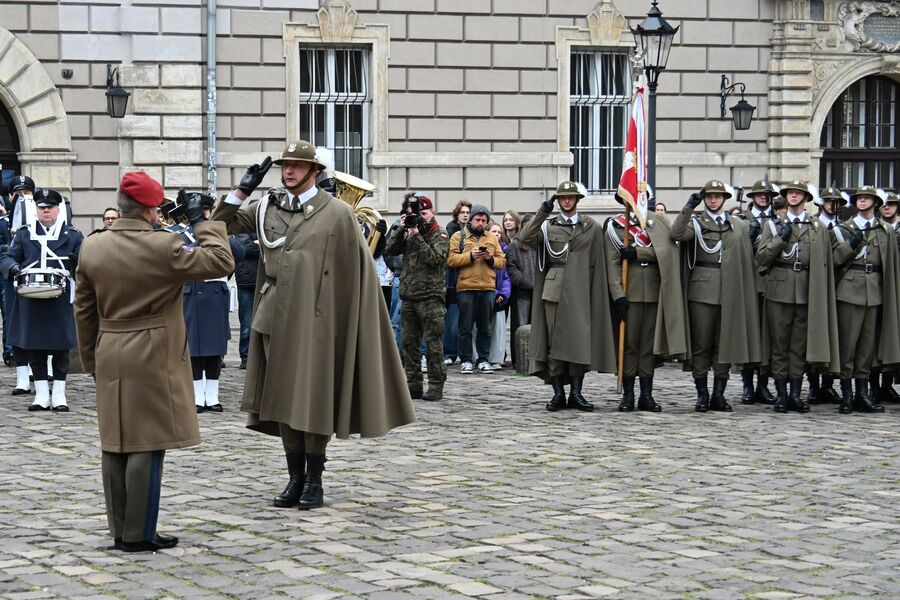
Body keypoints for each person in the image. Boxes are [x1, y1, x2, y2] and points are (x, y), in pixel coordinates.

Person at [213, 141, 414, 511]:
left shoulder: (337, 212)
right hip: (275, 314)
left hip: (319, 317)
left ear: (314, 172)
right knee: (285, 399)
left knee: (314, 398)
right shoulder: (266, 208)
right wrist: (241, 190)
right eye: (285, 165)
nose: (288, 171)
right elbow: (216, 223)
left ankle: (315, 480)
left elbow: (355, 270)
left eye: (296, 166)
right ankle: (294, 477)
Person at [75, 171, 234, 552]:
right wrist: (202, 220)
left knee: (115, 442)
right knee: (147, 442)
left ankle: (120, 528)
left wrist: (92, 360)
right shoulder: (163, 246)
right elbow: (221, 260)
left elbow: (83, 310)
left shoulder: (92, 246)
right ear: (150, 210)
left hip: (110, 345)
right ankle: (138, 533)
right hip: (152, 349)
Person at [517, 181, 617, 411]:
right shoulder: (548, 226)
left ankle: (577, 392)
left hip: (581, 290)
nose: (566, 201)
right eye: (562, 198)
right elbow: (524, 238)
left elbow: (597, 263)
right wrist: (542, 212)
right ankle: (558, 393)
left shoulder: (590, 227)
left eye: (570, 197)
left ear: (577, 200)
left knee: (578, 343)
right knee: (555, 343)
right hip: (555, 290)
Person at [671, 180, 762, 412]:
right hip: (702, 291)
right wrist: (689, 206)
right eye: (709, 196)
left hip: (731, 291)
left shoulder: (738, 225)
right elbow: (677, 233)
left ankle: (719, 395)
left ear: (725, 199)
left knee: (725, 344)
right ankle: (702, 394)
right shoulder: (697, 223)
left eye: (717, 196)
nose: (713, 200)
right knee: (702, 345)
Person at [754, 181, 840, 413]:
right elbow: (761, 258)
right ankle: (781, 394)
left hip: (805, 290)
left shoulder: (817, 227)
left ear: (806, 198)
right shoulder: (773, 225)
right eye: (790, 193)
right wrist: (780, 239)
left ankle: (795, 394)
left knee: (799, 346)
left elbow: (823, 262)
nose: (793, 196)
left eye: (798, 193)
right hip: (779, 289)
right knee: (779, 344)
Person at [0, 188, 83, 411]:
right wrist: (13, 268)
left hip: (60, 297)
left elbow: (85, 264)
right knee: (34, 346)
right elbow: (7, 256)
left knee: (60, 348)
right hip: (31, 297)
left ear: (58, 210)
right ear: (36, 210)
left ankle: (59, 394)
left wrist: (78, 262)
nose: (46, 211)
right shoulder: (25, 234)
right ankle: (41, 395)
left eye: (50, 208)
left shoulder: (73, 235)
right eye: (41, 208)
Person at [605, 197, 688, 412]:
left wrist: (638, 253)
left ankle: (646, 395)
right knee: (630, 345)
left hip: (653, 292)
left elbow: (667, 252)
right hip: (629, 293)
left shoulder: (658, 222)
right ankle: (629, 395)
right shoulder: (616, 226)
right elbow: (612, 264)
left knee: (648, 347)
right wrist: (618, 295)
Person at [165, 191, 245, 413]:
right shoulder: (176, 234)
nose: (202, 215)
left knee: (214, 350)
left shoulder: (217, 232)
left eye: (205, 211)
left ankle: (213, 395)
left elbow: (239, 252)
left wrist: (220, 233)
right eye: (198, 211)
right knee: (194, 349)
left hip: (214, 295)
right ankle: (197, 396)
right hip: (189, 294)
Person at [832, 185, 900, 414]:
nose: (862, 201)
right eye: (859, 198)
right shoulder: (844, 228)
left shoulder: (885, 230)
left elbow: (890, 263)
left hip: (875, 291)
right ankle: (847, 395)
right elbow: (834, 260)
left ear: (876, 203)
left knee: (867, 348)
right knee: (848, 346)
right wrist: (851, 245)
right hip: (850, 290)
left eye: (866, 198)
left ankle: (862, 393)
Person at [384, 194, 449, 401]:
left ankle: (436, 386)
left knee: (433, 345)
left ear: (432, 213)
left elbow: (435, 259)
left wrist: (417, 236)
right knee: (408, 344)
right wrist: (403, 228)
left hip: (431, 297)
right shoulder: (409, 232)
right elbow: (390, 249)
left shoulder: (440, 234)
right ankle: (413, 385)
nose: (420, 218)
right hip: (409, 296)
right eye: (416, 214)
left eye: (423, 213)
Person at [447, 204, 506, 374]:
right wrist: (470, 256)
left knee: (485, 328)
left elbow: (502, 261)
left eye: (483, 220)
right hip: (465, 288)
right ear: (471, 220)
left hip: (487, 287)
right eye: (477, 219)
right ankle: (466, 360)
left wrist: (489, 259)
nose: (480, 223)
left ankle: (483, 359)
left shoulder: (492, 238)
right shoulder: (459, 236)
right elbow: (451, 260)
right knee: (465, 327)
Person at [738, 180, 780, 405]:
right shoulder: (742, 219)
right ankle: (747, 386)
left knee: (767, 338)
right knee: (749, 335)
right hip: (749, 281)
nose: (763, 198)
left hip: (771, 282)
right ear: (752, 197)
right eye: (759, 194)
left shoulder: (776, 220)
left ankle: (763, 385)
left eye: (767, 195)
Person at [806, 185, 848, 404]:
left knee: (834, 336)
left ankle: (828, 384)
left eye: (836, 201)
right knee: (815, 334)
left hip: (839, 284)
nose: (833, 205)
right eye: (829, 201)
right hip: (817, 283)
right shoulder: (812, 224)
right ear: (821, 203)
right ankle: (813, 385)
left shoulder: (843, 227)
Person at [1, 175, 35, 379]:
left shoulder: (38, 222)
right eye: (18, 194)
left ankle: (37, 363)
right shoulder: (3, 223)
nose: (22, 197)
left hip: (31, 277)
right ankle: (12, 353)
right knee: (11, 316)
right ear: (10, 196)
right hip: (8, 275)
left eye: (27, 193)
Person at [443, 200, 472, 366]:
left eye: (468, 212)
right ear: (457, 214)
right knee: (452, 321)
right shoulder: (450, 230)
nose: (465, 215)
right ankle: (450, 353)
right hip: (453, 281)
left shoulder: (473, 231)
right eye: (463, 212)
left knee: (466, 321)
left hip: (468, 280)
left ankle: (466, 354)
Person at [506, 214, 534, 371]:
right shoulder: (515, 245)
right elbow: (511, 267)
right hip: (521, 292)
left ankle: (534, 361)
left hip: (537, 291)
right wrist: (525, 282)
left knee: (535, 327)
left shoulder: (539, 244)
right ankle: (519, 361)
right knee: (520, 326)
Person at [232, 232, 259, 370]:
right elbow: (245, 248)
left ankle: (258, 357)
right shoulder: (243, 229)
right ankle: (246, 357)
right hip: (246, 282)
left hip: (262, 280)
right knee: (247, 324)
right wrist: (259, 245)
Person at [487, 221, 511, 369]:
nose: (497, 234)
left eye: (499, 232)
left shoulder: (503, 250)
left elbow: (506, 276)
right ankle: (481, 357)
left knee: (498, 330)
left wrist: (503, 294)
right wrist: (494, 293)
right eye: (494, 231)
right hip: (485, 293)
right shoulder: (483, 250)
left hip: (500, 298)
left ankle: (497, 358)